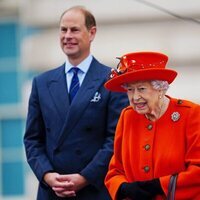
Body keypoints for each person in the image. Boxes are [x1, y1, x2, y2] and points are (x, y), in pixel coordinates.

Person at [24, 6, 128, 200]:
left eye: (74, 30)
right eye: (63, 30)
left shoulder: (112, 80)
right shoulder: (42, 83)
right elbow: (32, 140)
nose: (67, 36)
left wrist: (85, 177)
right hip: (52, 191)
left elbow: (116, 140)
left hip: (95, 190)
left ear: (92, 33)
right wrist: (47, 176)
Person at [104, 51, 200, 200]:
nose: (135, 97)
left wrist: (159, 185)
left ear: (160, 88)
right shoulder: (127, 116)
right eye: (130, 89)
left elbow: (197, 171)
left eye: (141, 89)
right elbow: (115, 170)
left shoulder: (191, 114)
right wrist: (123, 188)